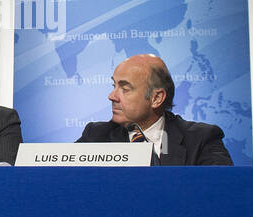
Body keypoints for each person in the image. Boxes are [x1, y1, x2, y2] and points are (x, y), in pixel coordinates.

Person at [76, 54, 233, 165]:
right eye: (114, 86)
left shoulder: (201, 140)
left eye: (125, 88)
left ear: (156, 98)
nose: (111, 96)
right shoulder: (96, 136)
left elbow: (221, 194)